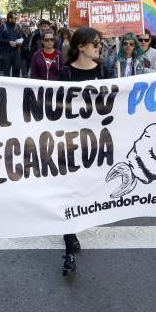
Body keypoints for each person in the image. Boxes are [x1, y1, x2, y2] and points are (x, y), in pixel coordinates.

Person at [57, 27, 111, 275]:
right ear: (80, 46)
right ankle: (68, 248)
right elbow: (54, 106)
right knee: (70, 193)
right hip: (70, 143)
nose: (98, 47)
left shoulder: (104, 71)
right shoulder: (65, 73)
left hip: (97, 143)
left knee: (87, 193)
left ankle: (75, 229)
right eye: (94, 43)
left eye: (99, 43)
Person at [0, 12, 22, 77]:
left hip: (16, 51)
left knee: (17, 69)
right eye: (14, 18)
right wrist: (9, 42)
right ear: (10, 19)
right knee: (6, 71)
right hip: (6, 53)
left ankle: (15, 85)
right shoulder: (3, 27)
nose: (16, 20)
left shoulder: (17, 26)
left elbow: (20, 37)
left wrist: (20, 41)